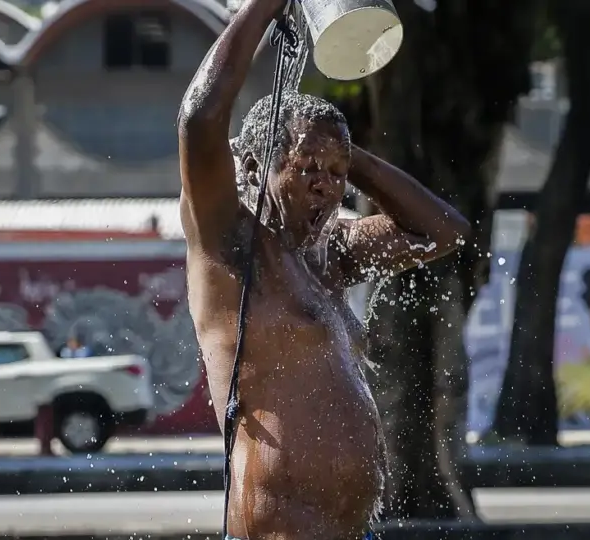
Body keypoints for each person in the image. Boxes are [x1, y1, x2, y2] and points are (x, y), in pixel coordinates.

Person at [177, 0, 470, 537]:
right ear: (252, 165)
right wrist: (264, 8)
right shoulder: (230, 244)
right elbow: (200, 119)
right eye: (309, 166)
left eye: (338, 174)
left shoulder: (331, 254)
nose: (327, 187)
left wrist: (347, 152)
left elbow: (444, 233)